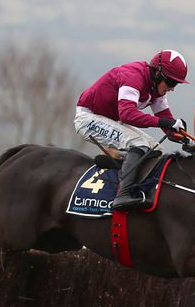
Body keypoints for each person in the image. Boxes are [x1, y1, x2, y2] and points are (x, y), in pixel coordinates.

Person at [74, 49, 189, 210]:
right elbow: (128, 115)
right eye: (171, 83)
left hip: (110, 120)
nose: (172, 88)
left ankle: (121, 165)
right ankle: (122, 195)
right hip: (88, 118)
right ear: (157, 74)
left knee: (157, 150)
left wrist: (181, 136)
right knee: (139, 143)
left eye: (175, 84)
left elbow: (166, 119)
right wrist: (166, 123)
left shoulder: (156, 89)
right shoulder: (134, 77)